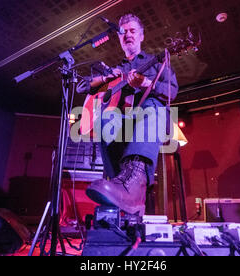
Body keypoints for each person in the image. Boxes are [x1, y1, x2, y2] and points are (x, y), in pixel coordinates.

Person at [76, 14, 178, 216]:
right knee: (106, 117)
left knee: (151, 105)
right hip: (123, 123)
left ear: (141, 35)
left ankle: (134, 182)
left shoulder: (156, 62)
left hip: (150, 119)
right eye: (123, 32)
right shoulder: (116, 70)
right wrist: (107, 77)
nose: (128, 35)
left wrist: (148, 84)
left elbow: (172, 92)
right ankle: (120, 185)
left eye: (132, 31)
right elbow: (82, 87)